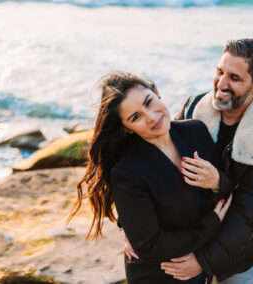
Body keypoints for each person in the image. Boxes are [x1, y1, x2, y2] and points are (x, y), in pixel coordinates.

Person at [68, 71, 233, 284]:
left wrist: (219, 181)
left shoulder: (196, 131)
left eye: (149, 102)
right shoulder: (128, 171)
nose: (152, 117)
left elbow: (226, 191)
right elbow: (149, 245)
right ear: (125, 128)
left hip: (202, 269)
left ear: (157, 92)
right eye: (135, 117)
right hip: (158, 276)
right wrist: (211, 225)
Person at [158, 39, 253, 283]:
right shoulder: (193, 107)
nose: (221, 83)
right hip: (189, 235)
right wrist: (133, 229)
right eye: (219, 72)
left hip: (239, 252)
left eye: (234, 78)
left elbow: (252, 211)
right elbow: (158, 166)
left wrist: (203, 261)